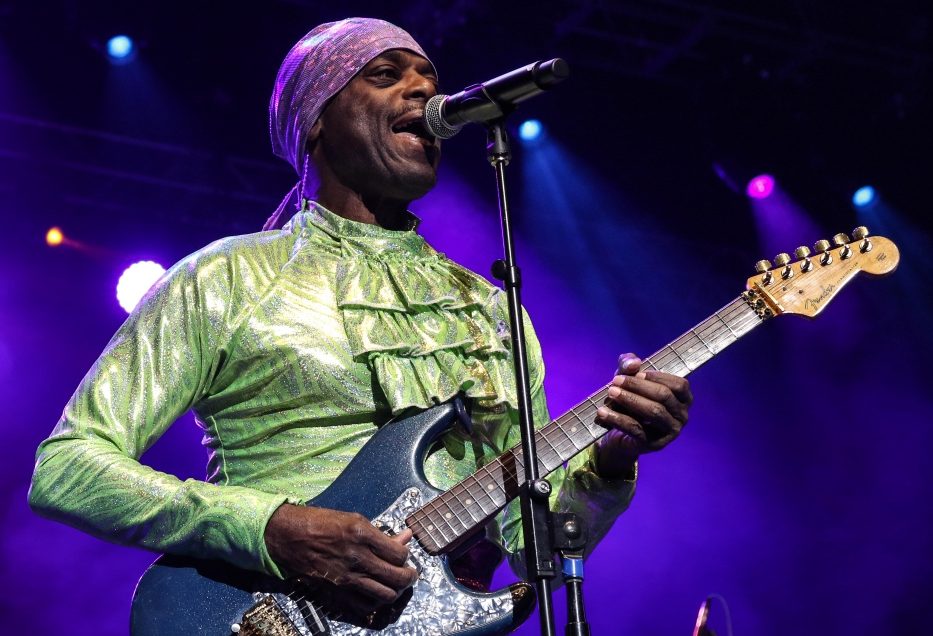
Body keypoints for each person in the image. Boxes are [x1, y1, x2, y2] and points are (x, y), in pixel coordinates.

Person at [29, 17, 692, 625]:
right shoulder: (226, 277)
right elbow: (68, 469)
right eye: (386, 74)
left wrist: (611, 458)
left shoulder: (488, 309)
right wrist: (272, 527)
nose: (422, 89)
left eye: (428, 78)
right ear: (316, 118)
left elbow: (530, 548)